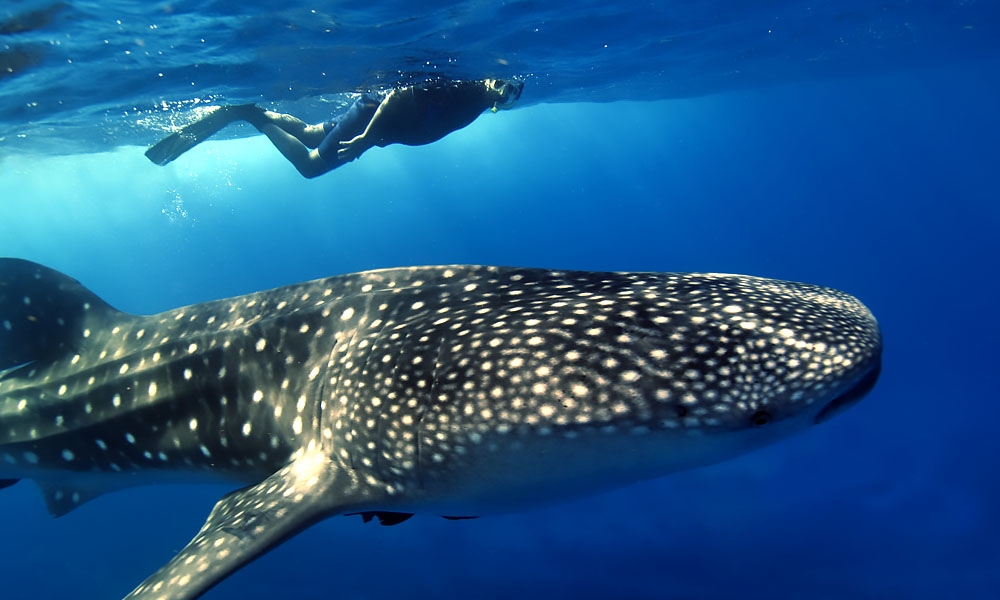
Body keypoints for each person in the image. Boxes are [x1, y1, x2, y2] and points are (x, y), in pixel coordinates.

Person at [145, 78, 524, 178]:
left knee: (310, 133)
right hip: (370, 120)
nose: (504, 92)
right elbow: (397, 97)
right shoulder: (462, 91)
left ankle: (251, 112)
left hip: (369, 121)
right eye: (503, 84)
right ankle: (246, 114)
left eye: (511, 93)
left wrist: (372, 136)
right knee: (311, 165)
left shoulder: (478, 101)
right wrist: (364, 139)